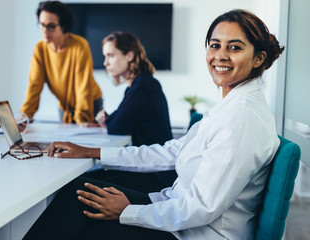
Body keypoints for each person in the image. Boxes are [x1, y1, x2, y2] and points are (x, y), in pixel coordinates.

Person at [24, 9, 285, 240]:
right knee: (78, 192)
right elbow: (171, 151)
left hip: (197, 231)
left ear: (258, 58)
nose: (220, 56)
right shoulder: (229, 108)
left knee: (79, 207)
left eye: (235, 48)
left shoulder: (241, 118)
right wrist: (93, 152)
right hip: (179, 213)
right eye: (215, 45)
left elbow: (202, 208)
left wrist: (127, 212)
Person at [84, 32, 173, 147]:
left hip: (153, 162)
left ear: (129, 56)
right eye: (105, 56)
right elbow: (118, 120)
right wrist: (107, 120)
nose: (105, 63)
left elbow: (115, 128)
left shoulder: (141, 87)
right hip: (149, 157)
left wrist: (106, 121)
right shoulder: (138, 85)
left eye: (110, 55)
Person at [20, 1, 102, 124]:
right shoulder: (40, 49)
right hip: (65, 107)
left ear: (63, 26)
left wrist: (82, 120)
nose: (45, 31)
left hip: (89, 104)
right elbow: (34, 86)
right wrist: (25, 117)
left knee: (83, 140)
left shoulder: (79, 46)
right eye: (42, 25)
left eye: (51, 26)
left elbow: (83, 87)